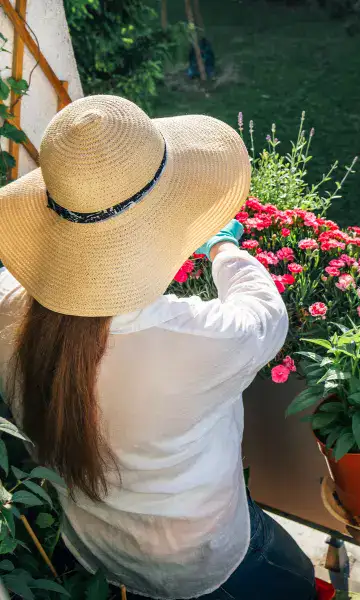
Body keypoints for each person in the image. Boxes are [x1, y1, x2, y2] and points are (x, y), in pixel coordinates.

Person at [0, 95, 317, 600]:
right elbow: (264, 315)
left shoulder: (8, 311)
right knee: (297, 582)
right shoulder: (194, 339)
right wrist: (224, 247)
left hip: (91, 545)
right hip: (197, 560)